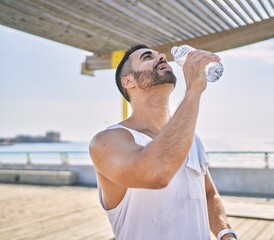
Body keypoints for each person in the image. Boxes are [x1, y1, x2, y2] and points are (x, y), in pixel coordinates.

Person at [89, 44, 237, 240]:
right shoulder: (106, 141)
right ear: (128, 81)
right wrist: (193, 90)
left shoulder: (190, 139)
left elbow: (208, 193)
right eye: (147, 57)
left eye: (160, 55)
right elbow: (155, 173)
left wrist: (226, 233)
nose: (161, 57)